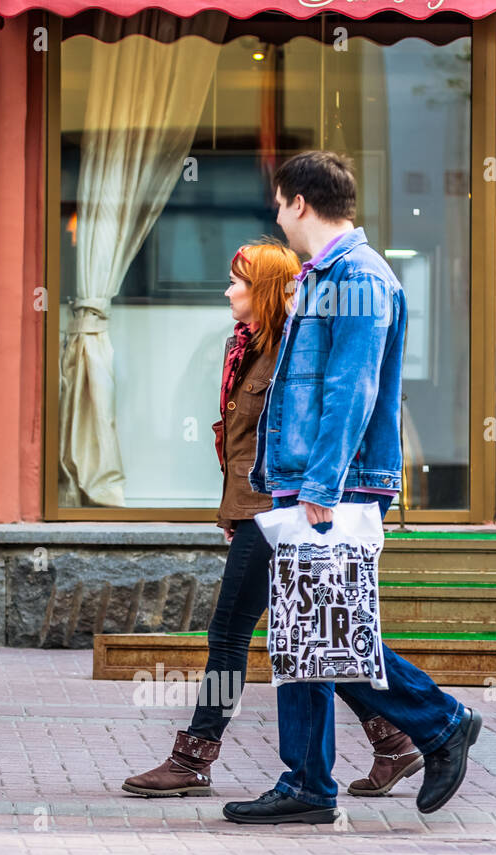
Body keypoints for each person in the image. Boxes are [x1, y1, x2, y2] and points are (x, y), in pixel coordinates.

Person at [224, 151, 482, 824]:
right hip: (314, 483)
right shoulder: (329, 276)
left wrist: (319, 482)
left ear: (300, 203)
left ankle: (440, 721)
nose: (277, 216)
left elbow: (351, 390)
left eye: (279, 204)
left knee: (329, 627)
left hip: (335, 487)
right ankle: (308, 780)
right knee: (304, 630)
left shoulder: (358, 278)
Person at [122, 242, 421, 798]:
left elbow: (302, 432)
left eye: (238, 281)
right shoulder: (248, 349)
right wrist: (231, 512)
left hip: (277, 512)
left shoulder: (289, 354)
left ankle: (193, 759)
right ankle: (395, 741)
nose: (228, 290)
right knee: (318, 635)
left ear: (262, 289)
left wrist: (292, 500)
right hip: (253, 511)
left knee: (235, 632)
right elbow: (238, 444)